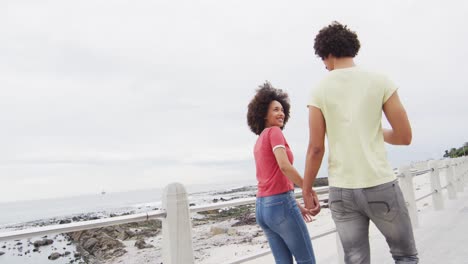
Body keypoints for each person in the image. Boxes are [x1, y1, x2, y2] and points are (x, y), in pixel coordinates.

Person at [302, 22, 419, 264]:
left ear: (328, 53)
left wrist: (306, 188)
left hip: (342, 191)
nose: (324, 66)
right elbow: (405, 136)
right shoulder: (381, 81)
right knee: (405, 256)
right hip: (380, 184)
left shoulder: (319, 90)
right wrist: (374, 132)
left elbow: (316, 148)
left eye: (322, 60)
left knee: (355, 259)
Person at [247, 82, 320, 264]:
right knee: (307, 261)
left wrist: (295, 205)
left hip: (263, 208)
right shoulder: (274, 132)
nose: (281, 113)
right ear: (263, 114)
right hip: (279, 205)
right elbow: (284, 166)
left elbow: (273, 179)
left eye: (282, 110)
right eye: (275, 110)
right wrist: (308, 188)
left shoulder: (259, 141)